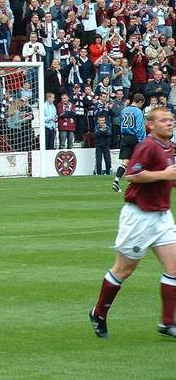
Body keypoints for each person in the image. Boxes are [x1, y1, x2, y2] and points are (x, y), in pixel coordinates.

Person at [89, 107, 176, 339]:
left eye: (171, 120)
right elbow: (133, 174)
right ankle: (98, 312)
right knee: (124, 270)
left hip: (162, 215)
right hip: (139, 216)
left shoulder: (170, 147)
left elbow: (170, 177)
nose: (169, 123)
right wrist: (164, 175)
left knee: (174, 268)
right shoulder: (147, 146)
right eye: (164, 120)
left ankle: (168, 323)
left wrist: (169, 178)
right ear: (150, 125)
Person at [113, 94, 146, 193]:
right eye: (142, 104)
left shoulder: (124, 110)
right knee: (139, 160)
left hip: (125, 137)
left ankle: (116, 180)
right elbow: (140, 128)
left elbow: (121, 124)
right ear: (140, 102)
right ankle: (134, 183)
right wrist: (142, 141)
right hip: (134, 137)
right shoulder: (138, 111)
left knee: (125, 161)